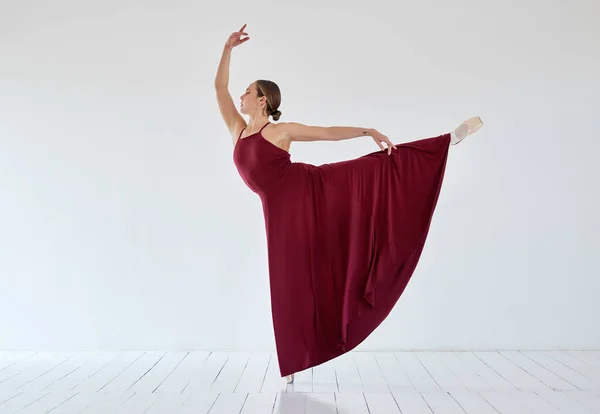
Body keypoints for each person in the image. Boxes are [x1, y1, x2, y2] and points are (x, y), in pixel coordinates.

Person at [214, 24, 483, 384]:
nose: (241, 96)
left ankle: (442, 143)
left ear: (263, 100)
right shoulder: (238, 129)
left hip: (309, 191)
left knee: (371, 170)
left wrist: (366, 131)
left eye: (247, 92)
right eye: (242, 93)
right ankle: (295, 357)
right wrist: (228, 48)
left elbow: (326, 134)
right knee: (288, 278)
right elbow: (219, 88)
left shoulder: (278, 131)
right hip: (280, 212)